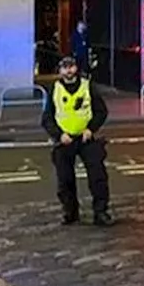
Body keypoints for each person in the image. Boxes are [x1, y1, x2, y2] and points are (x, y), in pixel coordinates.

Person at [41, 55, 113, 226]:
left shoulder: (88, 86)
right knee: (65, 180)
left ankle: (100, 212)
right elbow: (47, 118)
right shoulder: (55, 89)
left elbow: (101, 111)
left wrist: (90, 129)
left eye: (71, 66)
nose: (68, 70)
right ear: (60, 70)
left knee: (98, 177)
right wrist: (59, 135)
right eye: (65, 67)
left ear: (76, 68)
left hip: (86, 139)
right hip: (64, 141)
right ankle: (70, 212)